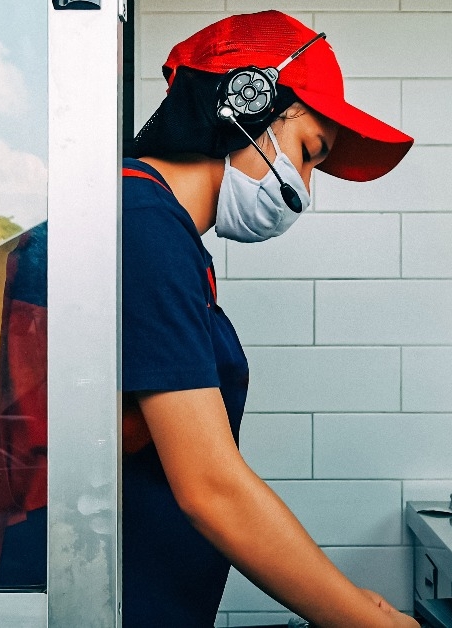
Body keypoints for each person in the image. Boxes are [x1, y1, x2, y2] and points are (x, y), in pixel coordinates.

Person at [119, 11, 418, 627]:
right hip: (118, 598)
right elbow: (211, 489)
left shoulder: (158, 229)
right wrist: (366, 622)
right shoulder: (140, 224)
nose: (304, 188)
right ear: (244, 102)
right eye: (309, 154)